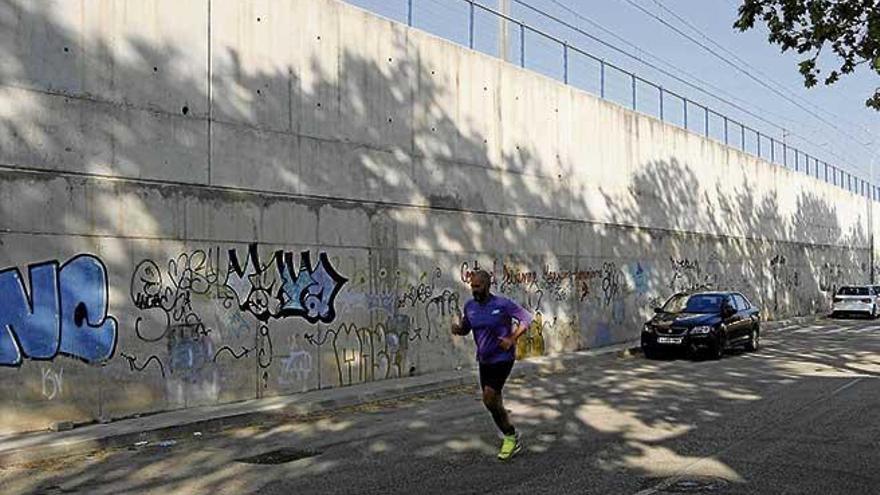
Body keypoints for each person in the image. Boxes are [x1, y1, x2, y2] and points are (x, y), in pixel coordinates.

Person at [451, 269, 533, 461]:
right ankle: (507, 427)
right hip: (484, 360)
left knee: (489, 398)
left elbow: (526, 319)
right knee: (493, 402)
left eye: (478, 286)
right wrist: (458, 329)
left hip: (503, 358)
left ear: (487, 286)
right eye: (472, 287)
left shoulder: (502, 304)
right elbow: (466, 327)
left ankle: (510, 436)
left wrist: (512, 339)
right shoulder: (470, 306)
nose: (474, 290)